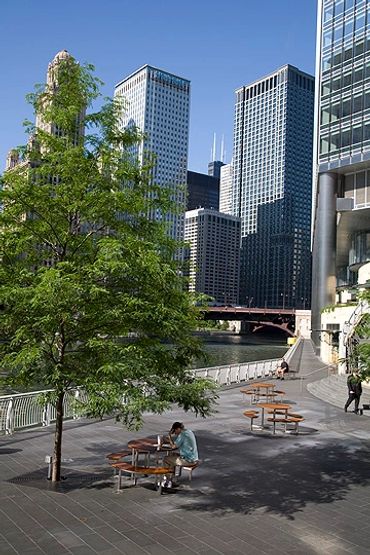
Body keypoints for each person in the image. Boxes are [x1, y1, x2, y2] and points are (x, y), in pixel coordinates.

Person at [163, 422, 199, 487]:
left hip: (188, 460)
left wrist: (169, 437)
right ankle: (172, 479)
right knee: (173, 456)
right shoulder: (189, 432)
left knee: (166, 459)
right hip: (194, 458)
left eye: (175, 431)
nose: (175, 433)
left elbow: (173, 447)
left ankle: (167, 479)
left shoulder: (182, 435)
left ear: (178, 429)